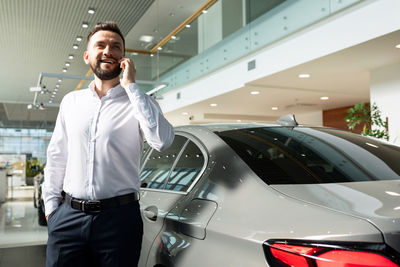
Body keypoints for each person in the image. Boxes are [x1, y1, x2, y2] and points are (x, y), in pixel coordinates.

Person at [42, 21, 174, 267]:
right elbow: (57, 155)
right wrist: (52, 211)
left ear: (123, 57)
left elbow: (163, 142)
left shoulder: (140, 101)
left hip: (119, 220)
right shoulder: (71, 102)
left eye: (115, 47)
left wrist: (132, 87)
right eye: (100, 45)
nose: (108, 51)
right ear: (87, 56)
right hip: (68, 217)